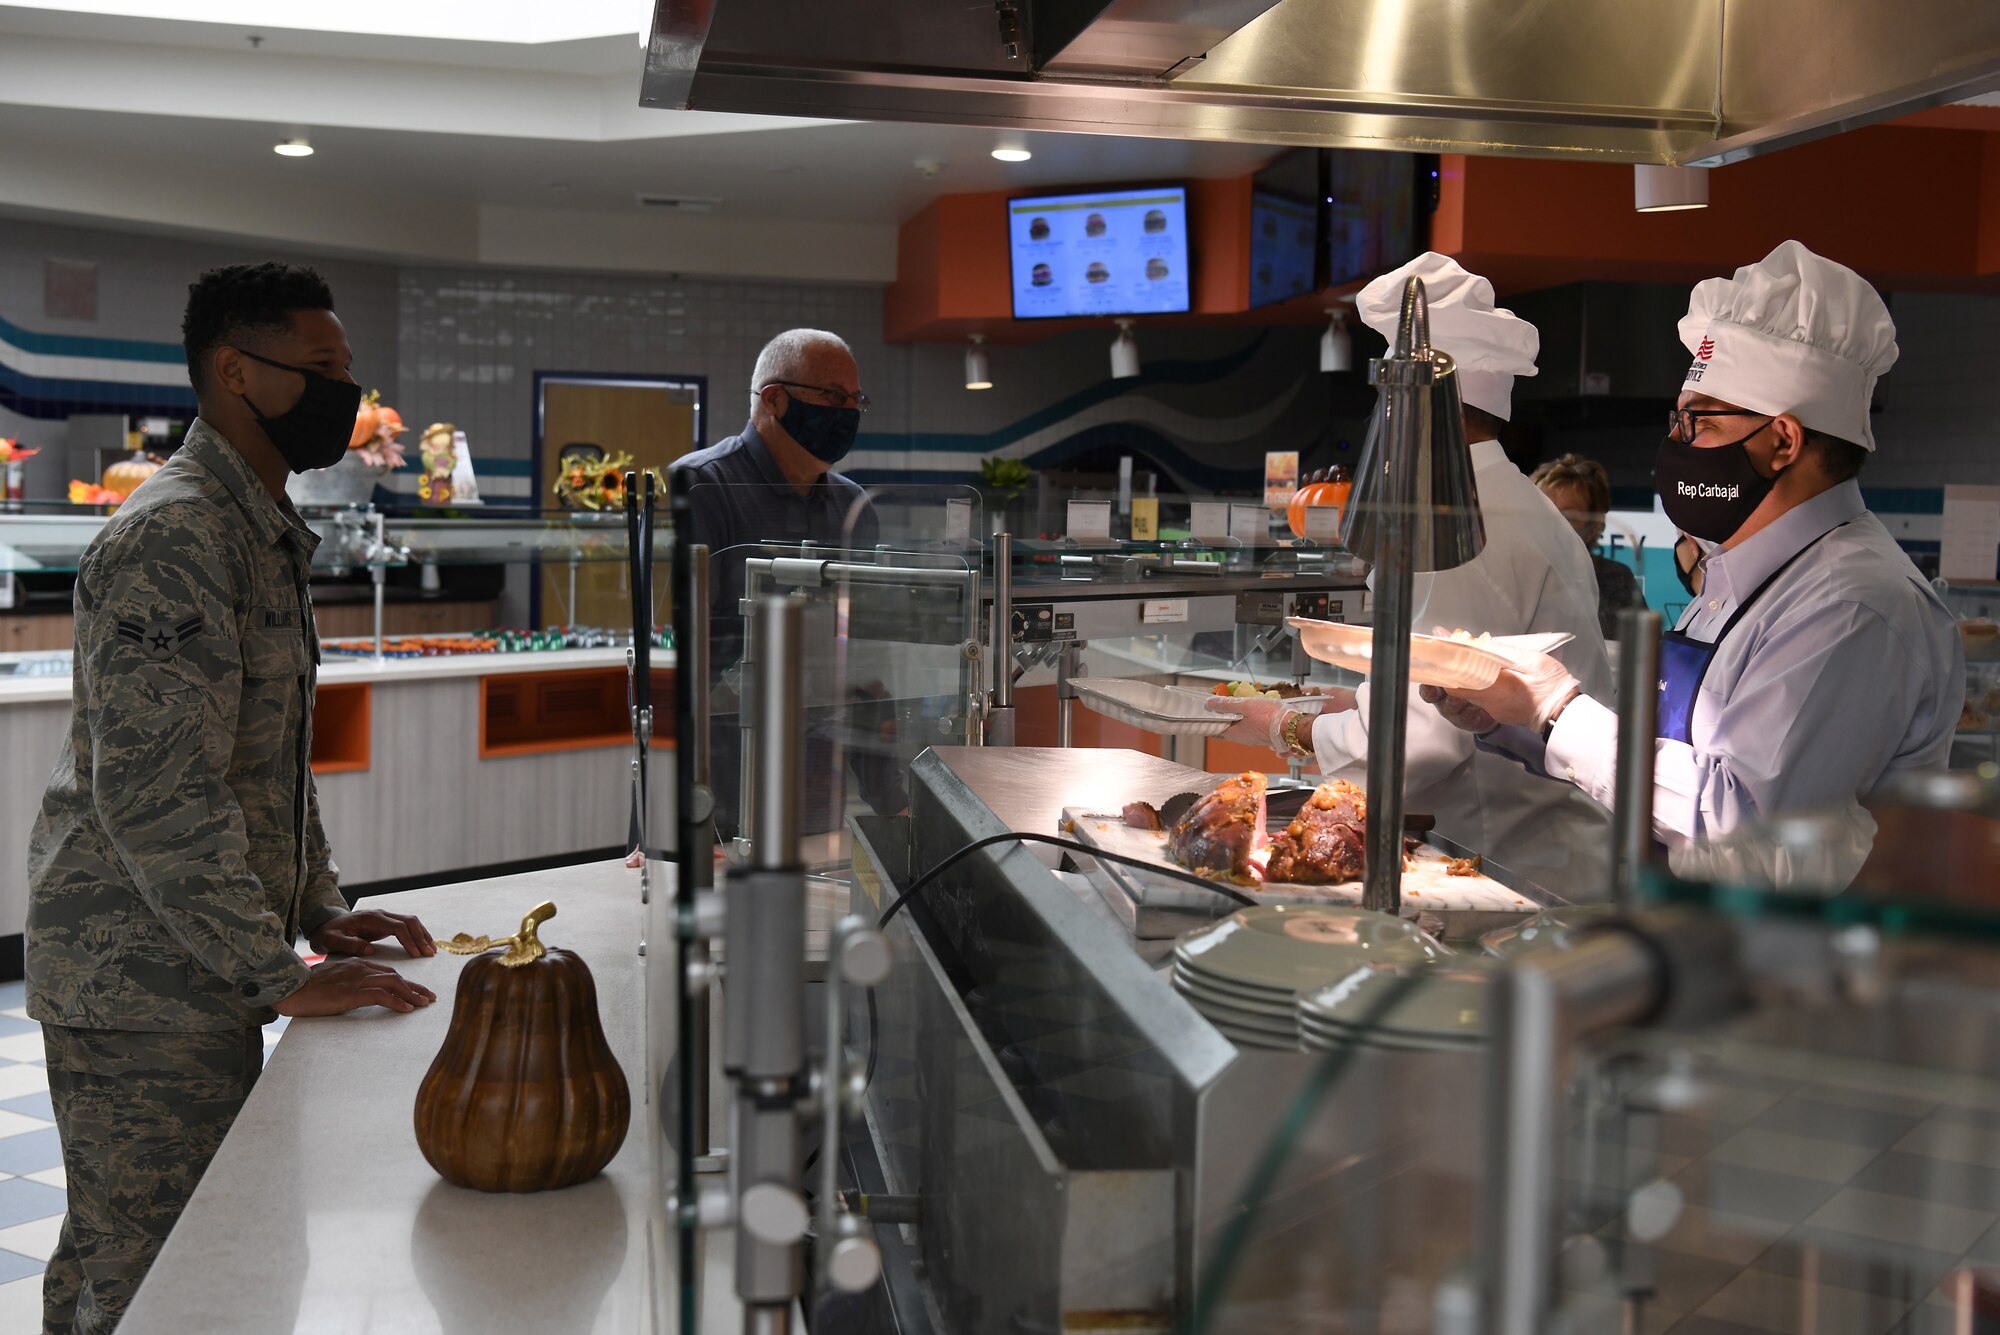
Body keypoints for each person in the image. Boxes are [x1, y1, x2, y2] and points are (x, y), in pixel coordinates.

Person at [26, 262, 439, 1335]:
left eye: (347, 373)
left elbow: (261, 761)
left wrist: (318, 910)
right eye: (319, 371)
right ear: (233, 372)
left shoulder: (253, 523)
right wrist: (275, 973)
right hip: (136, 979)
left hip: (195, 959)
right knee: (144, 1274)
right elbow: (157, 792)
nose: (343, 397)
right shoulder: (178, 533)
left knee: (220, 1264)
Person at [1425, 240, 1965, 880]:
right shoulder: (1743, 577)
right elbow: (1677, 763)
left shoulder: (1853, 606)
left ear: (1783, 441)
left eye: (1699, 425)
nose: (1677, 447)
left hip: (1796, 972)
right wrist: (1512, 714)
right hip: (1692, 943)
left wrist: (1556, 707)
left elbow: (1738, 820)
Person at [1215, 253, 1615, 900]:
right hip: (1530, 853)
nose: (1383, 415)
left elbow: (1419, 745)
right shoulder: (1510, 502)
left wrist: (1279, 726)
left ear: (1422, 402)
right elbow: (1436, 695)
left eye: (1389, 396)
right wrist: (1340, 706)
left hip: (1517, 869)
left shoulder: (1466, 521)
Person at [670, 329, 909, 835]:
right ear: (774, 399)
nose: (847, 412)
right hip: (715, 792)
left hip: (813, 792)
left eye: (856, 400)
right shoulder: (701, 488)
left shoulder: (853, 510)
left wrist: (894, 806)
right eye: (832, 396)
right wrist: (694, 819)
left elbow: (866, 672)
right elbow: (682, 674)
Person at [1529, 453, 1642, 640]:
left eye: (1568, 517)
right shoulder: (1514, 573)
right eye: (1543, 513)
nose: (1552, 525)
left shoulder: (1615, 579)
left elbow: (1633, 654)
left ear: (1594, 527)